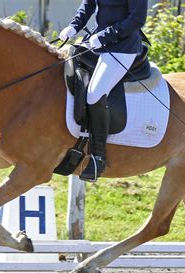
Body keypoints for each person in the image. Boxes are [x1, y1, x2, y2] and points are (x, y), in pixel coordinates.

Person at [60, 0, 148, 182]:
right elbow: (88, 6)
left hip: (122, 47)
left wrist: (105, 36)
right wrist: (73, 27)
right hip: (98, 42)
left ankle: (98, 157)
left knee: (94, 94)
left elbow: (137, 19)